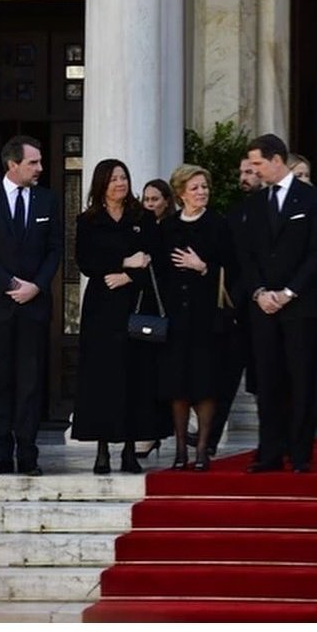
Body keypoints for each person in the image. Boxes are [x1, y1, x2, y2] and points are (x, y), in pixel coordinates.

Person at [0, 135, 62, 476]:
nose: (40, 168)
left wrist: (36, 286)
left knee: (30, 383)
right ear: (13, 164)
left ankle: (28, 455)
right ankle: (0, 456)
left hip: (34, 306)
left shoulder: (48, 200)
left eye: (39, 162)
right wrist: (9, 284)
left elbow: (55, 249)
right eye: (33, 163)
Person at [242, 133, 317, 473]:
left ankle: (300, 454)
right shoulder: (254, 203)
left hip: (300, 306)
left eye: (258, 164)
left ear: (277, 160)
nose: (254, 170)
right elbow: (246, 255)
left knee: (301, 380)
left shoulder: (312, 198)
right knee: (267, 382)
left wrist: (288, 292)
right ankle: (269, 453)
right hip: (263, 307)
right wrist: (259, 292)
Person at [72, 159, 157, 475]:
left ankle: (131, 449)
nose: (120, 183)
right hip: (101, 309)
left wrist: (129, 276)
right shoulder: (88, 220)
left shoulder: (142, 217)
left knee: (135, 375)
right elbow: (85, 261)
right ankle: (102, 450)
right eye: (113, 179)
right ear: (101, 185)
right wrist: (123, 261)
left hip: (135, 303)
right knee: (101, 377)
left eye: (123, 177)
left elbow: (152, 259)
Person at [155, 164, 230, 471]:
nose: (202, 192)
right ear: (181, 193)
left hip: (206, 317)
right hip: (175, 318)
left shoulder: (218, 224)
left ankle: (202, 449)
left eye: (205, 187)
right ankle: (179, 450)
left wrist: (202, 267)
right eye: (195, 188)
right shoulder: (167, 226)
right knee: (178, 385)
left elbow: (233, 268)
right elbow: (159, 270)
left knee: (205, 383)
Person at [187, 155, 263, 456]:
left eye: (250, 171)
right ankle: (209, 440)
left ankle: (274, 441)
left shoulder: (270, 211)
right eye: (241, 171)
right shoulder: (234, 214)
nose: (244, 177)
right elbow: (231, 262)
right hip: (235, 311)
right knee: (225, 378)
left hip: (266, 305)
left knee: (265, 379)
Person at [134, 178, 175, 460]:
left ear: (166, 201)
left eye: (155, 200)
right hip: (146, 306)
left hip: (169, 305)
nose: (149, 205)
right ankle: (148, 432)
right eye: (146, 200)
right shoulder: (139, 227)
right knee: (146, 373)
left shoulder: (173, 227)